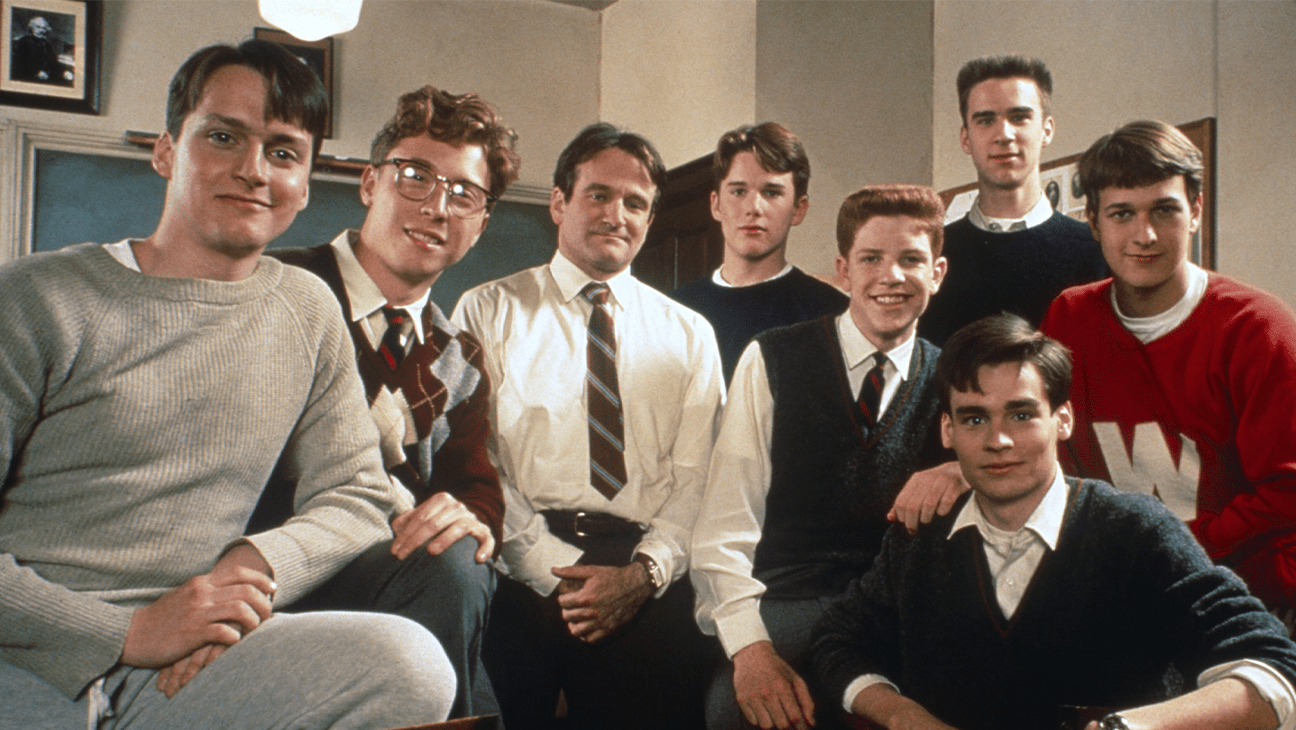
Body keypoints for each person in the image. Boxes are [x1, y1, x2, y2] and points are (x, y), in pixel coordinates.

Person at [0, 40, 455, 729]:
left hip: (186, 660)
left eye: (283, 152)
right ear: (166, 151)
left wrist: (246, 576)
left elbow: (356, 494)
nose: (253, 171)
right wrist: (125, 633)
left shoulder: (306, 308)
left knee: (410, 664)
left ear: (305, 184)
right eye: (222, 137)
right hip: (27, 650)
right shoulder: (33, 297)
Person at [813, 314, 1296, 730]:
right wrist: (902, 715)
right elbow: (838, 641)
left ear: (1062, 420)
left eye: (1021, 415)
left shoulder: (1135, 530)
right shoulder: (921, 536)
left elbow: (1273, 665)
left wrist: (1126, 728)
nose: (998, 441)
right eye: (975, 419)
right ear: (947, 430)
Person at [453, 122, 725, 730]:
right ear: (558, 202)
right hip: (519, 566)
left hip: (645, 572)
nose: (616, 215)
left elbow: (701, 476)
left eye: (636, 203)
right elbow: (476, 462)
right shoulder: (487, 310)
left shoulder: (689, 334)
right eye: (598, 194)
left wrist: (642, 574)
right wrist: (551, 569)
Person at [261, 85, 520, 719]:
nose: (437, 207)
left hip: (397, 578)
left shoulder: (461, 355)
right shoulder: (277, 288)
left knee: (459, 556)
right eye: (415, 177)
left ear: (482, 224)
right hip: (274, 571)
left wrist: (465, 515)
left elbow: (478, 491)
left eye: (464, 194)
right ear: (370, 183)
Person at [690, 184, 950, 730]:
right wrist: (750, 650)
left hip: (895, 615)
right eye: (871, 259)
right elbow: (723, 533)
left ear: (937, 273)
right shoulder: (772, 358)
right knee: (733, 713)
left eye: (911, 260)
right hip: (786, 604)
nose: (891, 276)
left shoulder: (955, 377)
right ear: (842, 271)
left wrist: (958, 471)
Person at [1041, 120, 1296, 613]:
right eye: (1122, 214)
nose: (1146, 235)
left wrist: (1164, 548)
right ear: (1093, 222)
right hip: (1113, 587)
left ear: (1195, 211)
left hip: (1240, 590)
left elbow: (1288, 490)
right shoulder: (1069, 317)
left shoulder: (1258, 326)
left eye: (1165, 209)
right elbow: (1056, 460)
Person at [917, 55, 1105, 347]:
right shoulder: (932, 258)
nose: (1004, 135)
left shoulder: (1097, 251)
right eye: (986, 120)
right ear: (965, 138)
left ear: (1046, 130)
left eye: (1019, 117)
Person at [670, 122, 847, 383]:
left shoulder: (834, 314)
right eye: (738, 191)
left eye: (772, 192)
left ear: (798, 209)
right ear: (716, 205)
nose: (753, 207)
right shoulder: (673, 311)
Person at [11, 15, 73, 85]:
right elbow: (20, 63)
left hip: (44, 77)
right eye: (38, 27)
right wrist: (36, 72)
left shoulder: (46, 44)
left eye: (44, 28)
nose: (41, 30)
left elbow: (53, 62)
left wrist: (64, 71)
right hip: (27, 78)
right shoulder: (24, 42)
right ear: (32, 28)